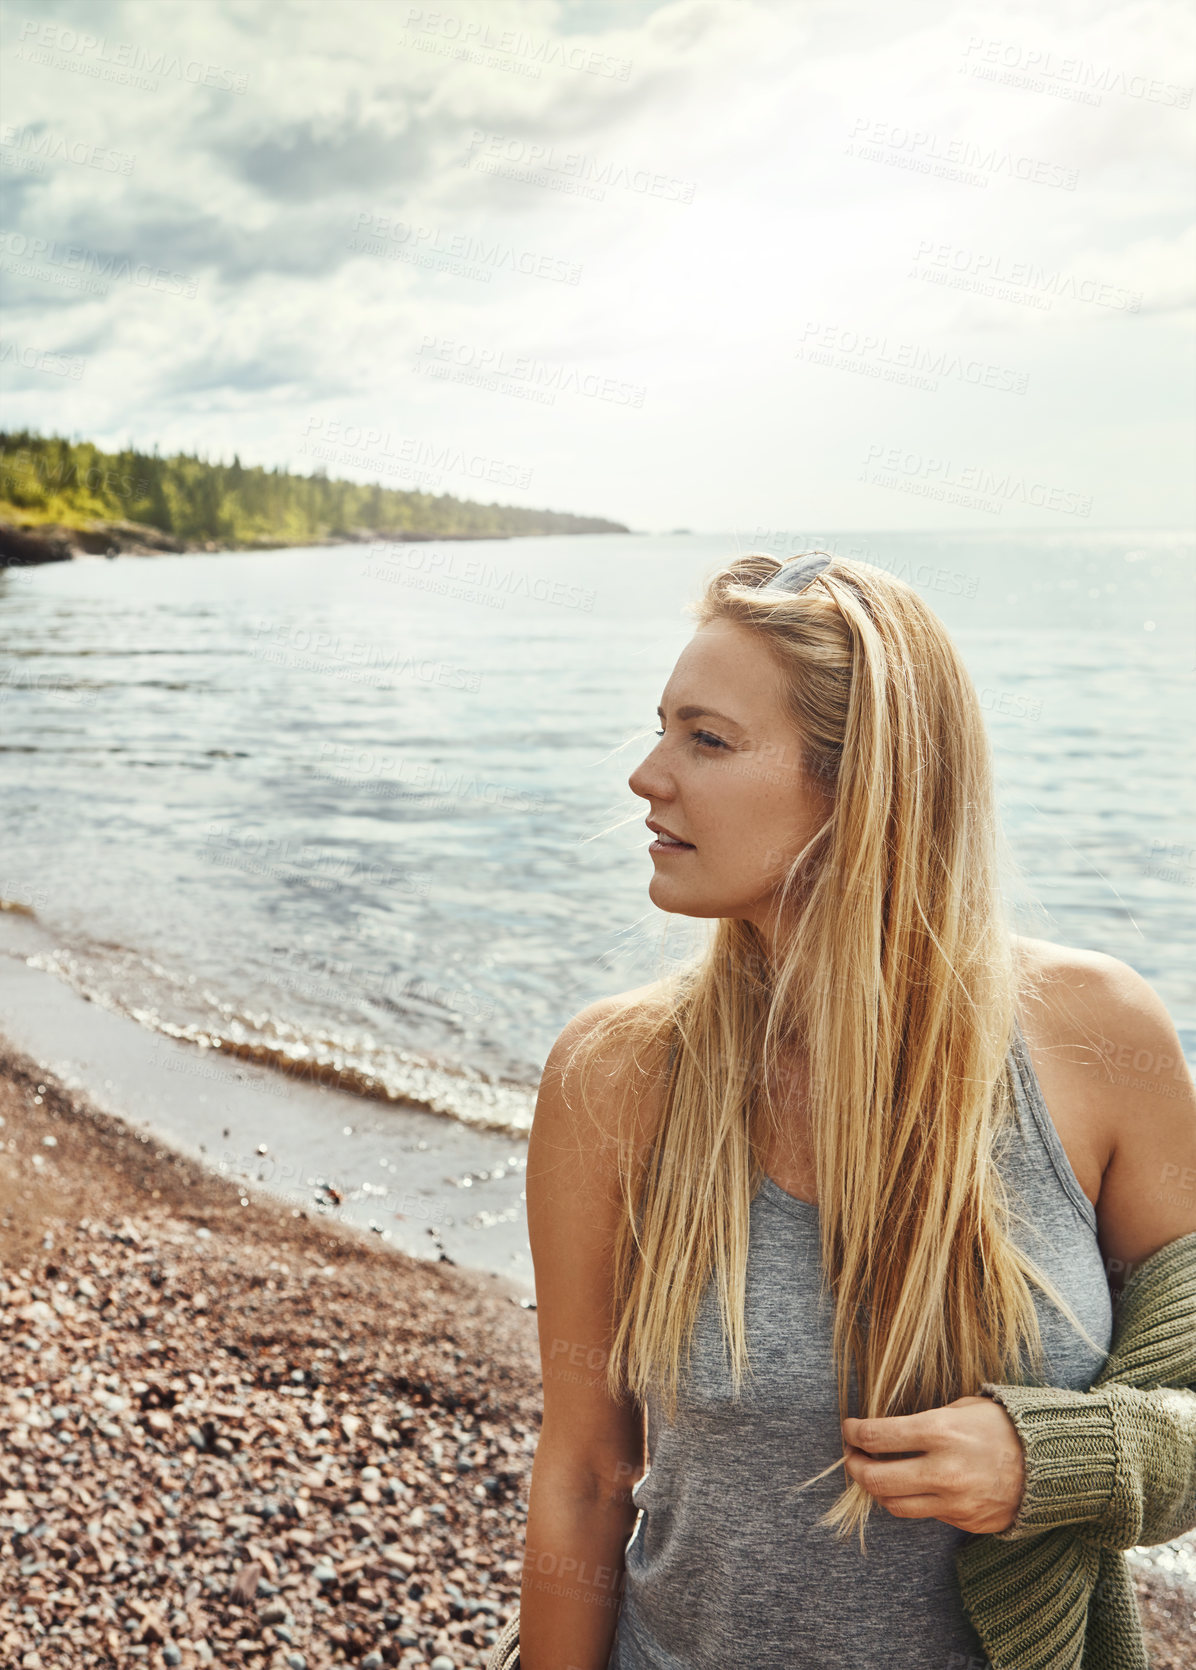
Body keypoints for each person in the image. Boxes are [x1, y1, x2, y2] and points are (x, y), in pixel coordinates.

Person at [514, 552, 1196, 1669]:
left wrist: (1047, 1458)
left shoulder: (1096, 1036)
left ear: (860, 782)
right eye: (661, 728)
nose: (645, 773)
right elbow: (585, 1473)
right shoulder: (615, 1072)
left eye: (706, 738)